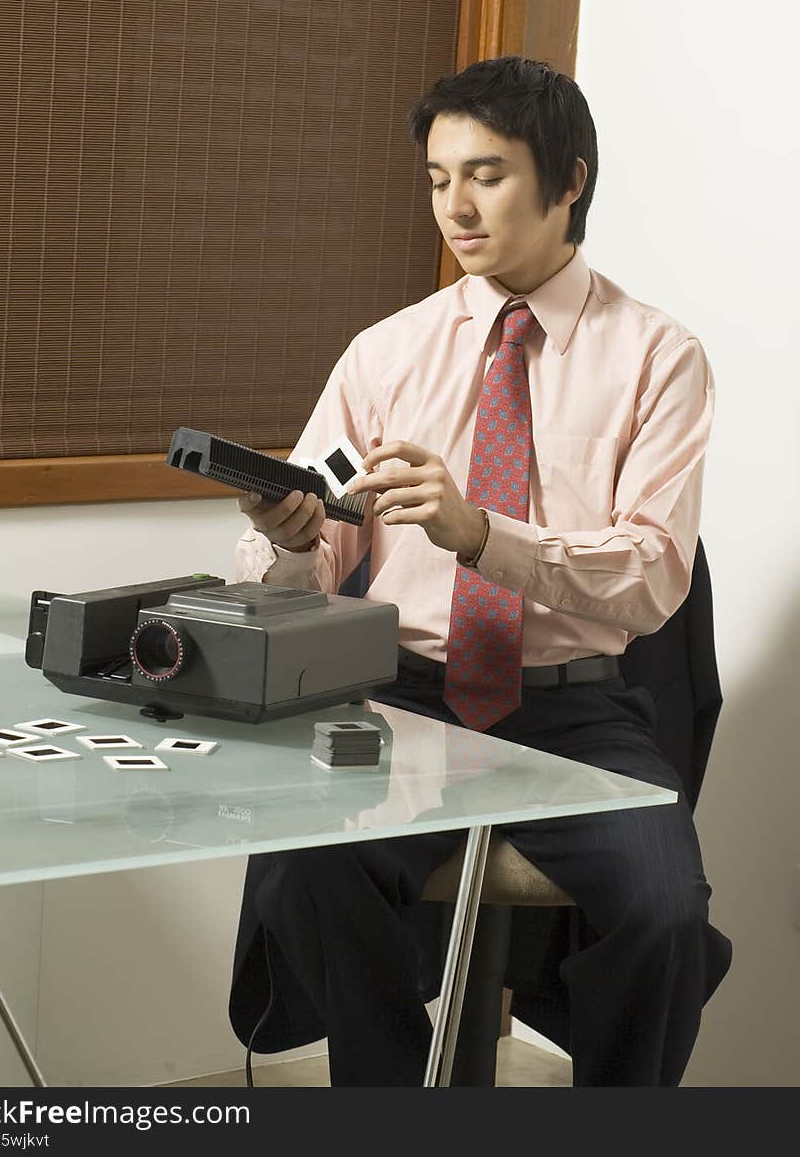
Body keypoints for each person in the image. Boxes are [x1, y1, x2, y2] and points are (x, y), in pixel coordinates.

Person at [228, 55, 732, 1086]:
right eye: (436, 176)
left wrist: (479, 532)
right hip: (403, 698)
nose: (454, 205)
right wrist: (289, 532)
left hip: (575, 709)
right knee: (307, 862)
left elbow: (649, 576)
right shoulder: (384, 354)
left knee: (666, 913)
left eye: (487, 174)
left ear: (570, 178)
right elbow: (312, 567)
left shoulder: (657, 358)